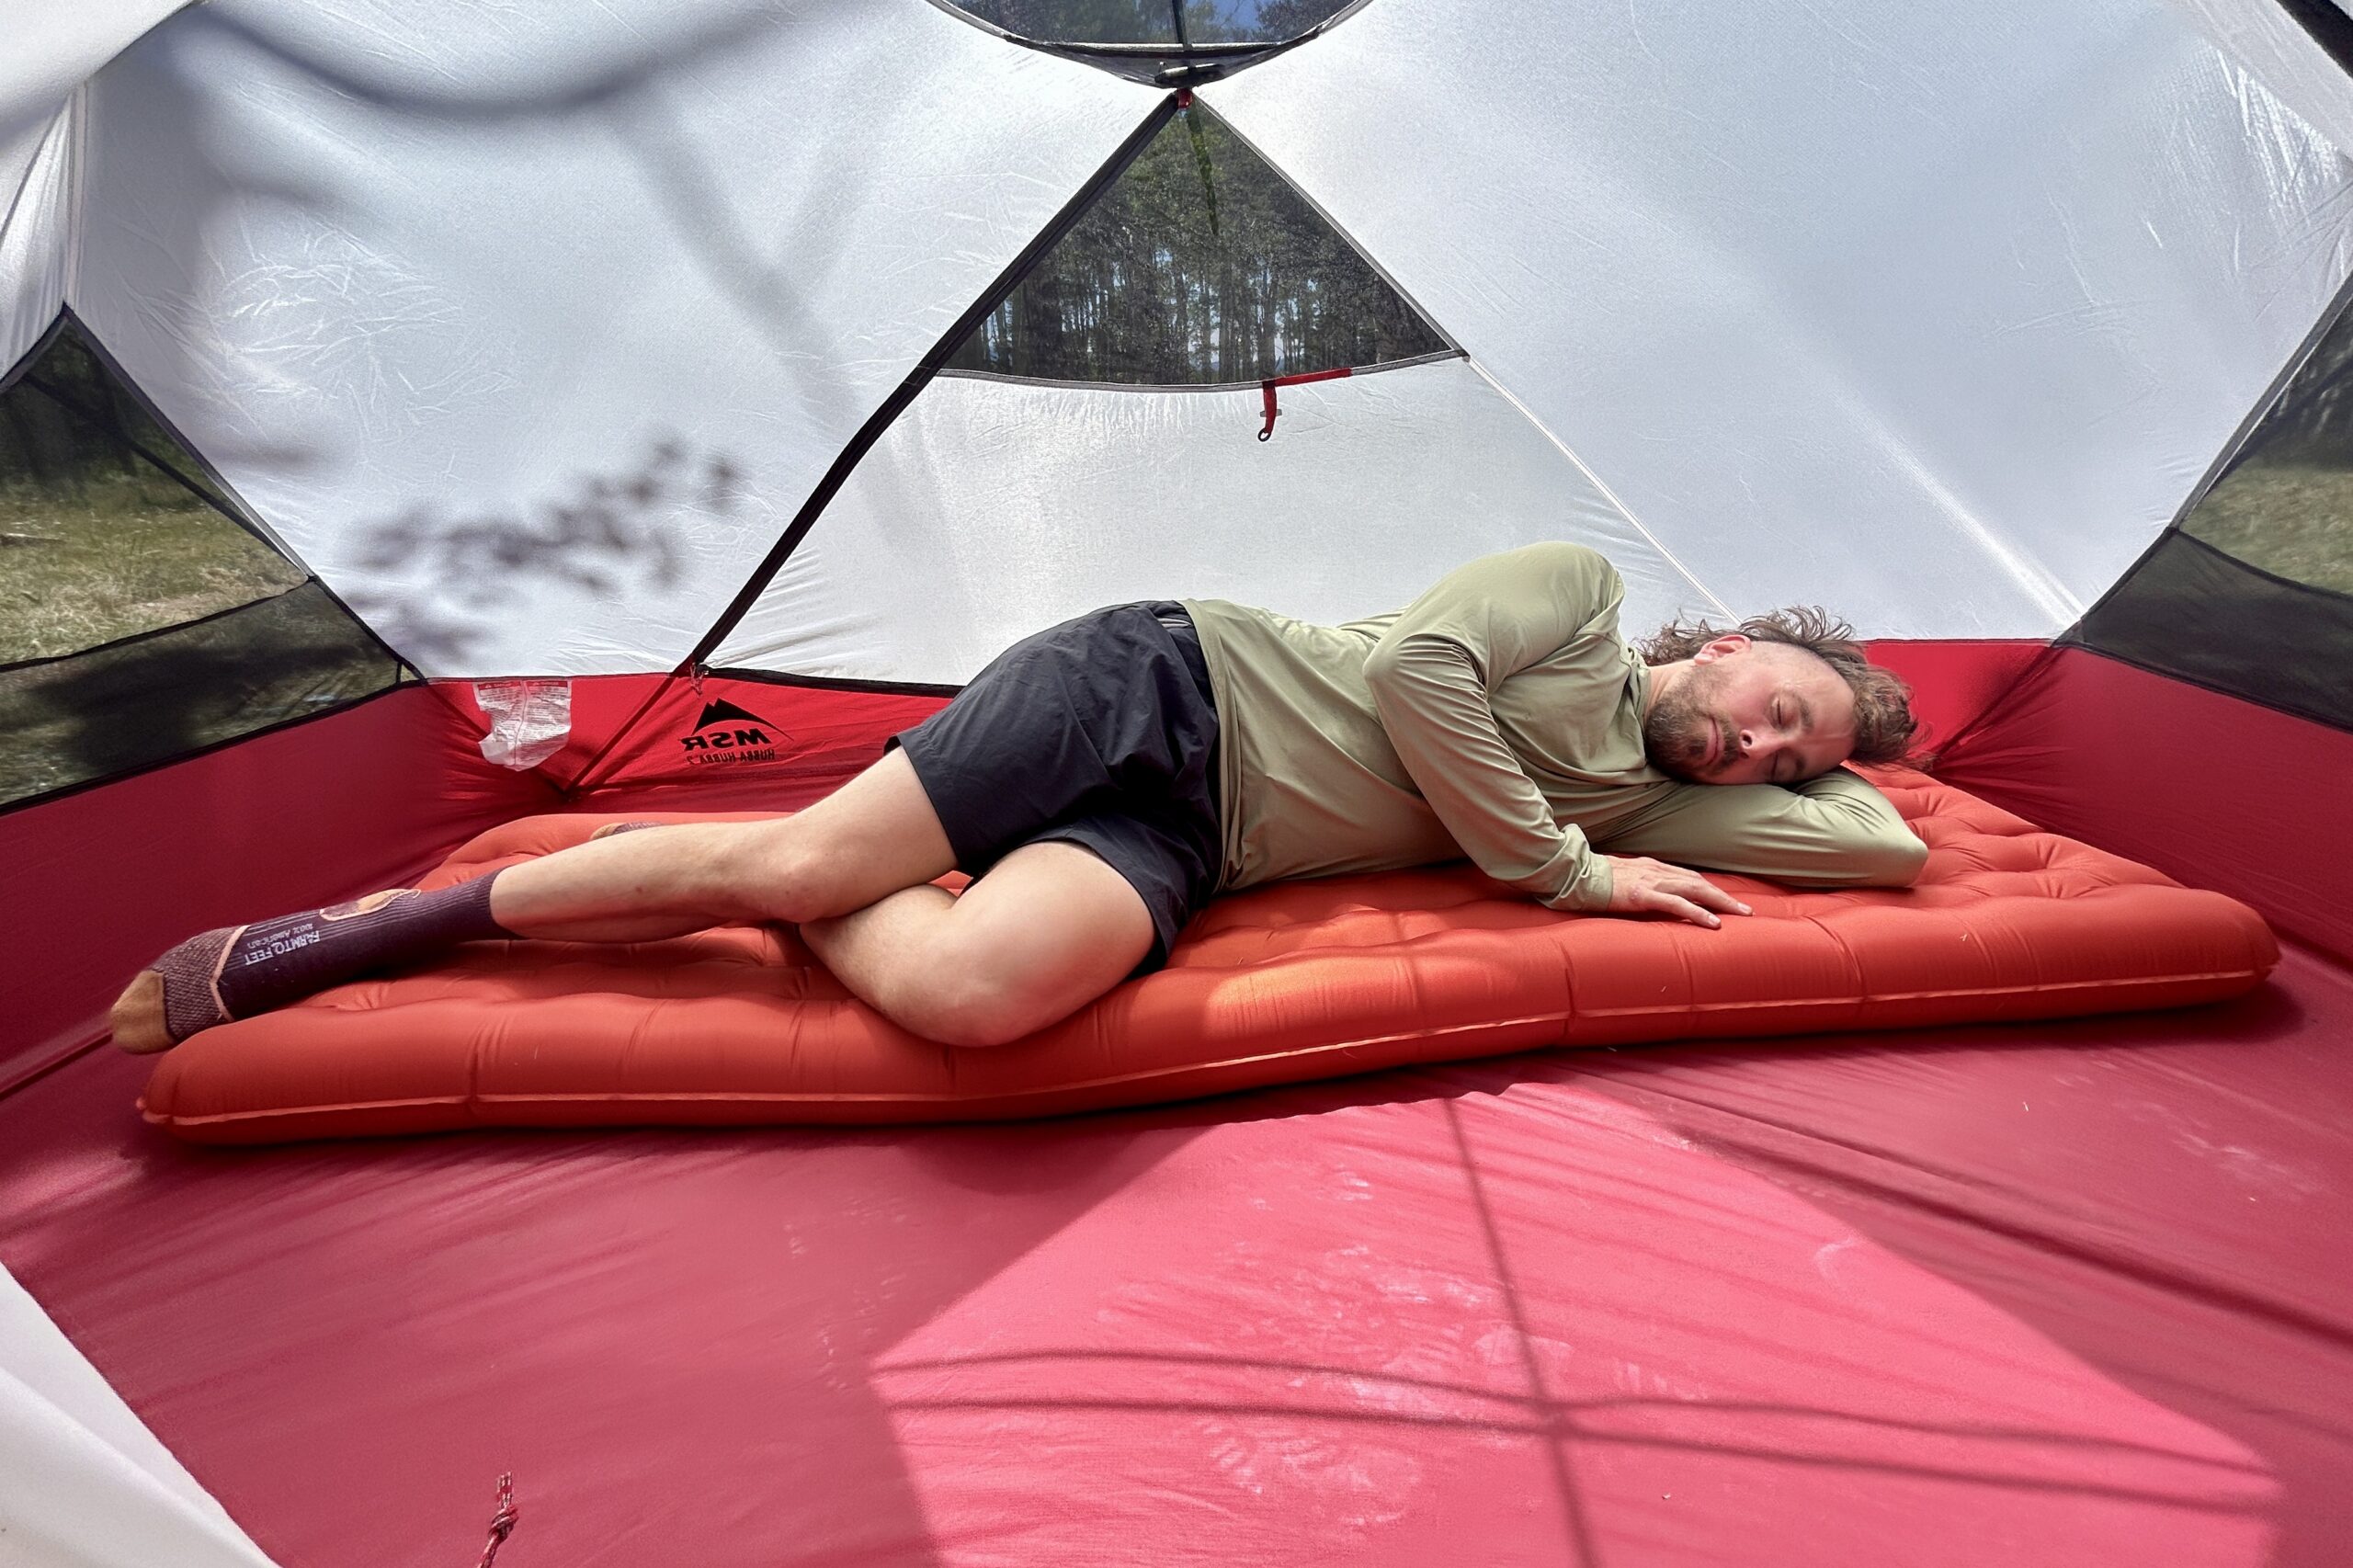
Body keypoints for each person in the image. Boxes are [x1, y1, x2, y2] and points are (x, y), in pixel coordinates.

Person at [111, 542, 1925, 1053]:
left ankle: (793, 883)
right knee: (813, 847)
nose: (1763, 751)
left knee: (977, 998)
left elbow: (1891, 843)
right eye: (1775, 703)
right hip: (1156, 676)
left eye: (1790, 753)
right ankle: (368, 930)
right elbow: (1408, 677)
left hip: (1193, 841)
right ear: (1735, 634)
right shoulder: (1582, 596)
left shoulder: (1660, 794)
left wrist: (1813, 768)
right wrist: (1560, 875)